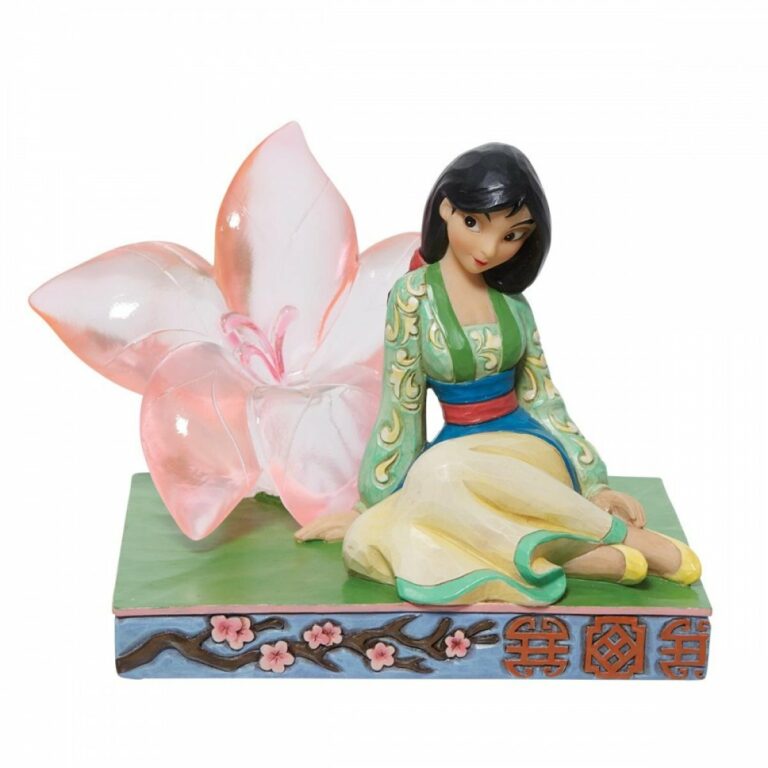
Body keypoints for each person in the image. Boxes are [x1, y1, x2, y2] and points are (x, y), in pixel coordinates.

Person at [296, 143, 701, 606]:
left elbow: (544, 398)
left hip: (525, 453)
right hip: (454, 464)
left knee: (438, 476)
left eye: (512, 235)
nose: (489, 249)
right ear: (446, 208)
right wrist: (373, 503)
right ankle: (575, 558)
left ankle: (625, 537)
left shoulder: (514, 305)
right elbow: (400, 405)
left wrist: (594, 483)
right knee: (366, 540)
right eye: (474, 223)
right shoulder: (412, 299)